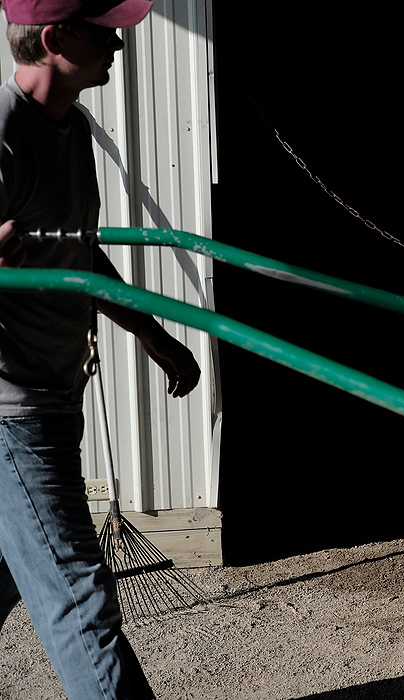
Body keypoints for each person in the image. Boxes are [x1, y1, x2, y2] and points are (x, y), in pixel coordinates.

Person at [0, 0, 201, 697]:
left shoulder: (72, 132)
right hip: (12, 415)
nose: (118, 40)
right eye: (100, 28)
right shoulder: (2, 135)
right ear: (54, 38)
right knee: (82, 612)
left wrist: (150, 332)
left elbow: (81, 257)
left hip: (54, 402)